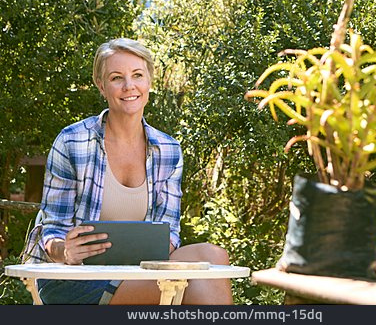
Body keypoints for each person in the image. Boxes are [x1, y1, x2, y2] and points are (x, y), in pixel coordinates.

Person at [23, 38, 232, 305]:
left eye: (137, 75)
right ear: (101, 85)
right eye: (116, 77)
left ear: (149, 82)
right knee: (200, 285)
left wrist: (150, 254)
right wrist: (67, 250)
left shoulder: (168, 149)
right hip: (75, 279)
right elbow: (51, 233)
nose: (128, 86)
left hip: (138, 272)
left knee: (213, 255)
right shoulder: (71, 142)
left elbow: (170, 235)